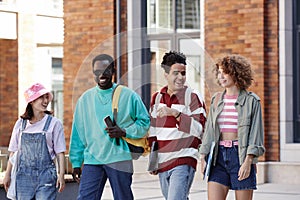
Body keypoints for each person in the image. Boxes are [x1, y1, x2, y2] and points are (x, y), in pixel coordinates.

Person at [69, 53, 150, 200]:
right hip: (92, 160)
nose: (102, 74)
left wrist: (124, 132)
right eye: (97, 71)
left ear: (113, 71)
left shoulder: (128, 95)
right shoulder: (85, 99)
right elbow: (77, 133)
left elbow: (145, 123)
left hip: (120, 158)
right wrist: (76, 162)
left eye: (106, 70)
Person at [199, 54, 266, 200]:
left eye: (225, 72)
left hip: (240, 157)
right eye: (219, 72)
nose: (221, 76)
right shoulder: (217, 99)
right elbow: (210, 131)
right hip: (218, 158)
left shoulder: (252, 101)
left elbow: (256, 135)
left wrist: (248, 161)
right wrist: (203, 156)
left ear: (236, 73)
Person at [148, 51, 207, 200]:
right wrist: (153, 161)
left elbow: (200, 130)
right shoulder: (157, 98)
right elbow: (153, 132)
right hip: (163, 162)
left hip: (183, 158)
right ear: (166, 74)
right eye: (176, 73)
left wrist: (176, 114)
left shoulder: (192, 96)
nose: (181, 77)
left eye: (183, 73)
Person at [3, 83, 66, 199]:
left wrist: (61, 175)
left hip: (46, 175)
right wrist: (7, 175)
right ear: (31, 101)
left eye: (47, 97)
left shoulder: (54, 123)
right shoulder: (20, 124)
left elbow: (60, 152)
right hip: (23, 178)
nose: (45, 101)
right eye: (41, 97)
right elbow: (13, 152)